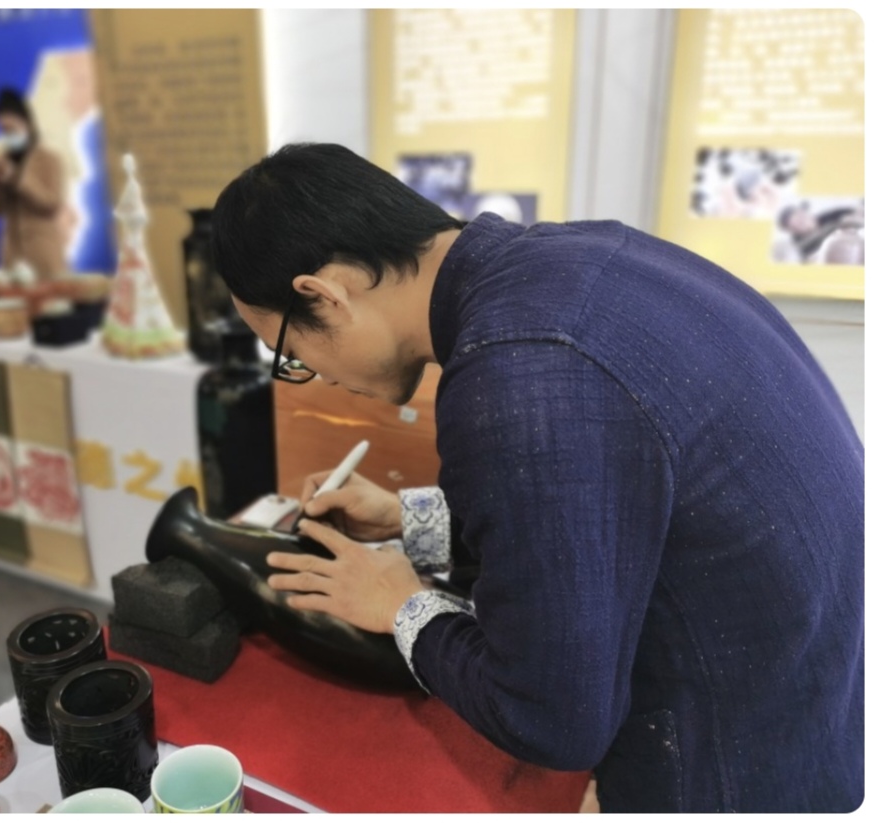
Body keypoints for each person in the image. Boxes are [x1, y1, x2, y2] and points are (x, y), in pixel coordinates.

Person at [209, 144, 863, 812]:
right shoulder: (577, 257)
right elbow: (606, 514)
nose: (314, 376)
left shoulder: (520, 374)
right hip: (813, 694)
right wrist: (412, 520)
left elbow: (552, 718)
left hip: (732, 759)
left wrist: (400, 604)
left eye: (292, 354)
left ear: (324, 294)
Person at [0, 87, 66, 280]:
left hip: (43, 254)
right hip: (12, 256)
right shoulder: (0, 160)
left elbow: (52, 204)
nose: (7, 135)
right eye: (2, 131)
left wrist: (18, 179)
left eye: (11, 129)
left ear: (27, 123)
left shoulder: (49, 159)